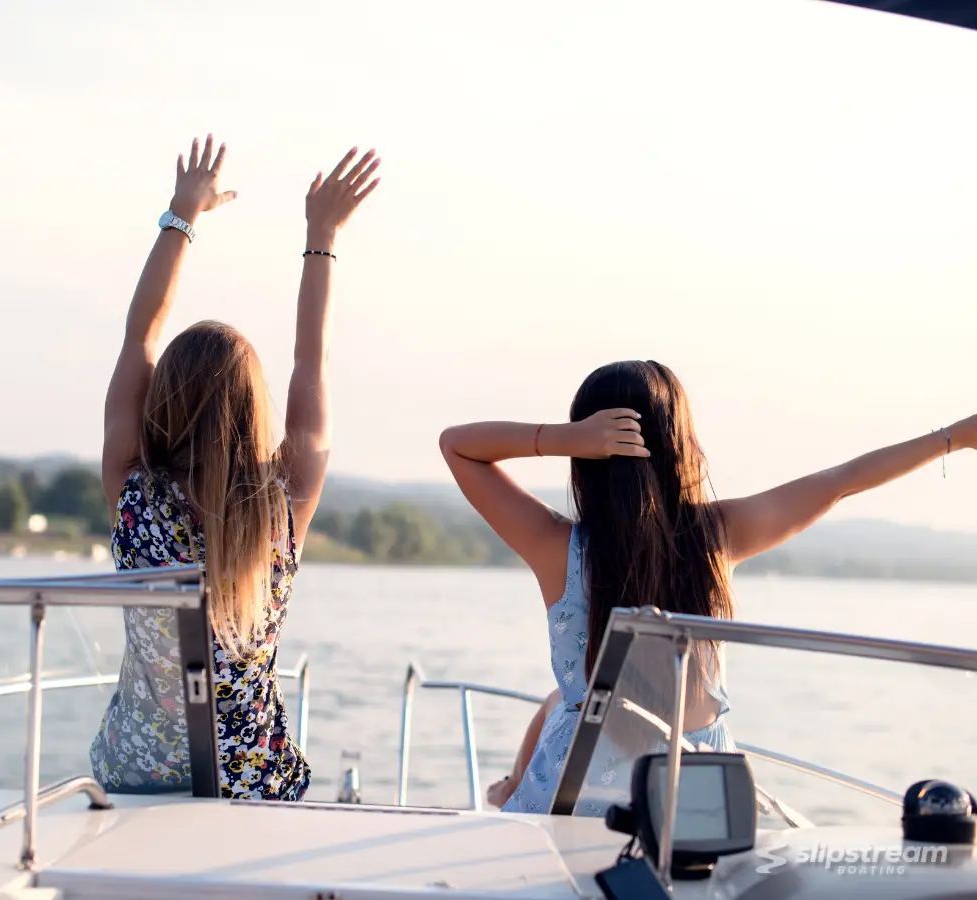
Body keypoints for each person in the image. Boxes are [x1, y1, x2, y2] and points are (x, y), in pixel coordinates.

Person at [440, 360, 973, 814]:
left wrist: (562, 437)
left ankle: (510, 787)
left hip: (569, 793)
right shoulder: (719, 536)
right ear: (681, 445)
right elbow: (841, 480)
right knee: (568, 698)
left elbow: (457, 446)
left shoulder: (556, 545)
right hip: (691, 796)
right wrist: (956, 436)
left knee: (569, 698)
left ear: (588, 457)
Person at [90, 135, 380, 800]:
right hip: (251, 781)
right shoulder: (284, 502)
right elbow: (313, 359)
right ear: (256, 409)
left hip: (139, 773)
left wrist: (181, 214)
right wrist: (321, 235)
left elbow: (140, 334)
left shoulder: (130, 490)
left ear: (162, 399)